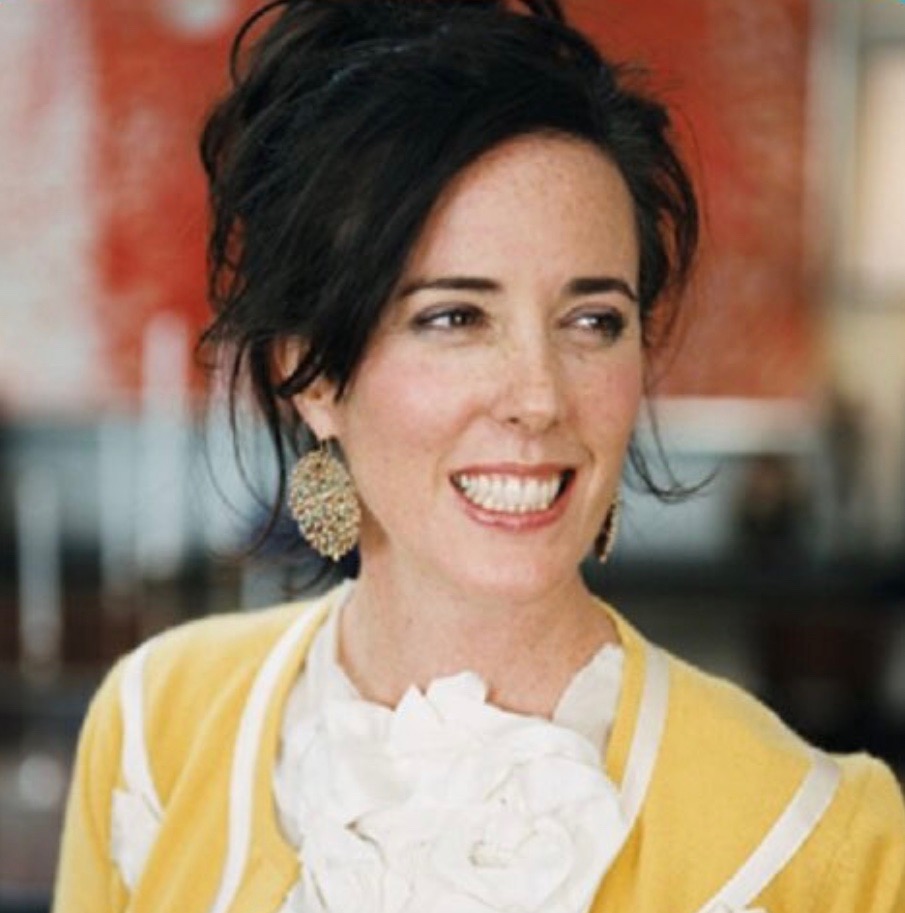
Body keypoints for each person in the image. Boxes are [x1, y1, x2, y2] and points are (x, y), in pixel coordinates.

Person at [53, 1, 905, 911]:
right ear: (312, 372)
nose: (538, 397)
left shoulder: (821, 841)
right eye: (455, 317)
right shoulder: (153, 736)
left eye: (592, 321)